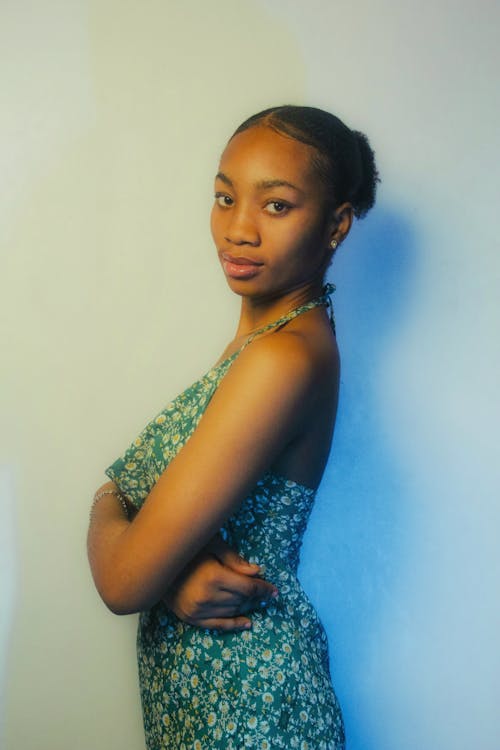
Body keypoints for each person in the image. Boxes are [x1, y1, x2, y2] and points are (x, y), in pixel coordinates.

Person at [87, 104, 379, 749]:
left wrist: (110, 511)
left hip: (250, 699)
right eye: (224, 197)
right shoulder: (265, 342)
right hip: (212, 693)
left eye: (276, 205)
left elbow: (121, 581)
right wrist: (168, 570)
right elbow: (141, 568)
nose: (238, 228)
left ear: (336, 225)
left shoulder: (283, 358)